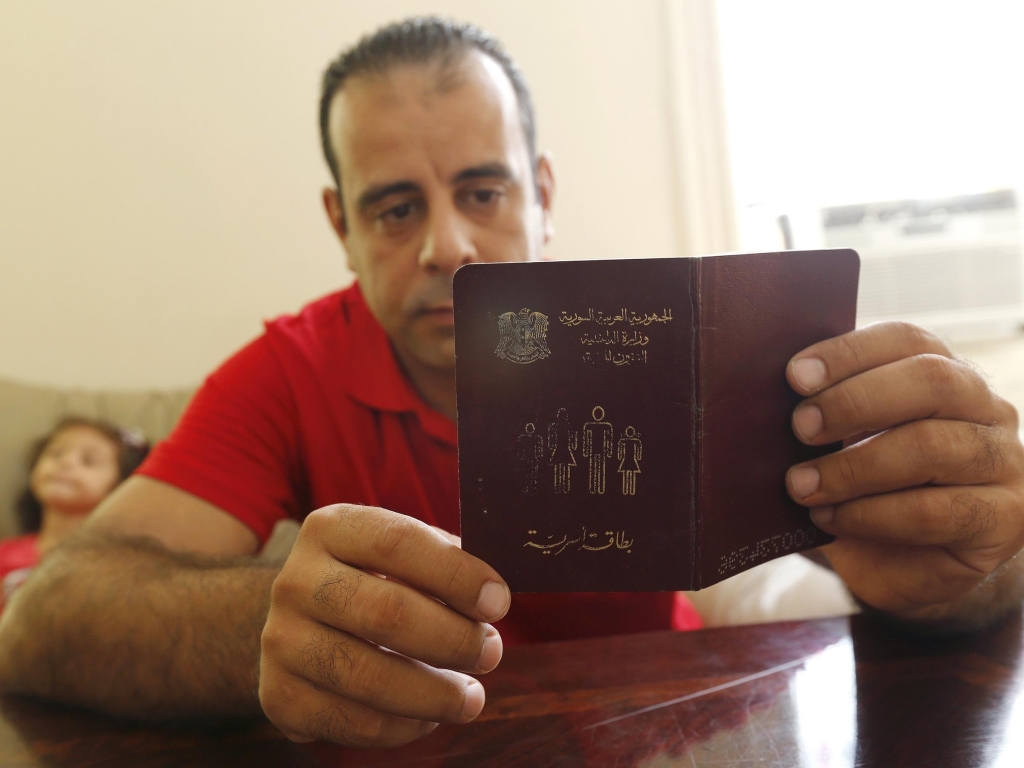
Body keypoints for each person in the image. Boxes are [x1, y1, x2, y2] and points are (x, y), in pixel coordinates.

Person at [1, 16, 1023, 750]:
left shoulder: (680, 348)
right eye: (395, 208)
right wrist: (268, 622)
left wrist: (977, 566)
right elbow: (48, 615)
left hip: (672, 731)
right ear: (339, 226)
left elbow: (946, 582)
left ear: (540, 195)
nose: (448, 246)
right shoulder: (290, 369)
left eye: (482, 191)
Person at [0, 417, 149, 603]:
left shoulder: (118, 568)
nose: (65, 463)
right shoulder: (4, 553)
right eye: (55, 454)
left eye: (89, 461)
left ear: (121, 486)